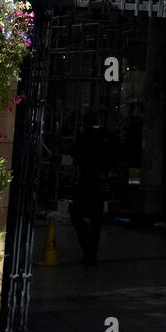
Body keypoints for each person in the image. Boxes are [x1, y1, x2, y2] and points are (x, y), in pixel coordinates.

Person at [70, 112, 108, 265]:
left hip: (86, 181)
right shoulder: (103, 138)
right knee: (95, 219)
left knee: (78, 215)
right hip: (97, 181)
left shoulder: (84, 138)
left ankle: (89, 249)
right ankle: (91, 250)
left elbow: (76, 156)